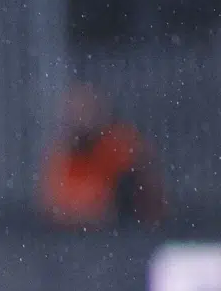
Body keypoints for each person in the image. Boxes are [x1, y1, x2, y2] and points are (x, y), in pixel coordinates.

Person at [40, 83, 164, 228]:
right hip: (85, 237)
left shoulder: (119, 145)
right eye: (76, 115)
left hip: (127, 232)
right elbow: (57, 205)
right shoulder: (62, 157)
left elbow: (147, 195)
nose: (81, 121)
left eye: (85, 113)